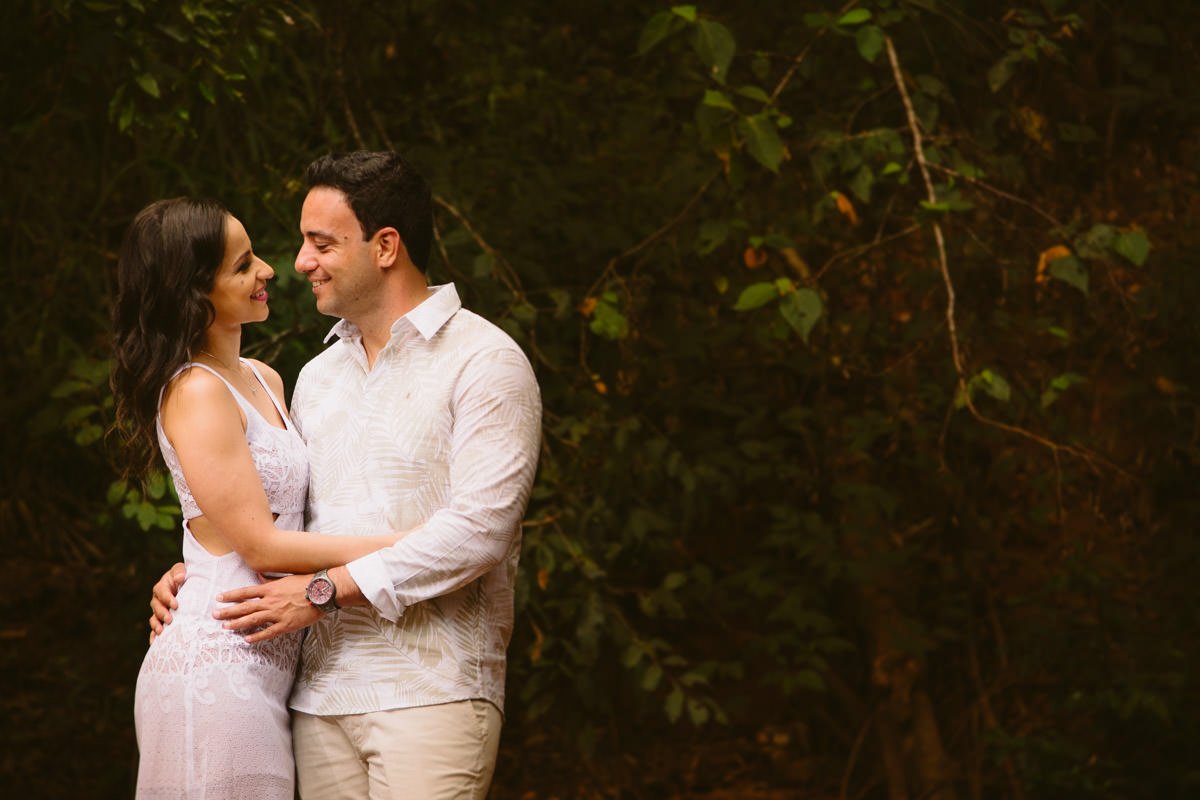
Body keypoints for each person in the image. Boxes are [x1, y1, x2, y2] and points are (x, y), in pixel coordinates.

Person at [150, 151, 543, 799]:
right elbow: (278, 515)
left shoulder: (484, 362)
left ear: (385, 246)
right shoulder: (316, 378)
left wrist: (323, 592)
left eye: (321, 243)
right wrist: (195, 565)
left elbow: (481, 532)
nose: (300, 261)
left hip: (430, 692)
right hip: (316, 697)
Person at [112, 197, 415, 799]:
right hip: (217, 665)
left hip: (271, 670)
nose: (269, 271)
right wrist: (412, 545)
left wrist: (191, 565)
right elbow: (260, 541)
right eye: (243, 264)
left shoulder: (266, 380)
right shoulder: (195, 391)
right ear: (196, 293)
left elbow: (264, 516)